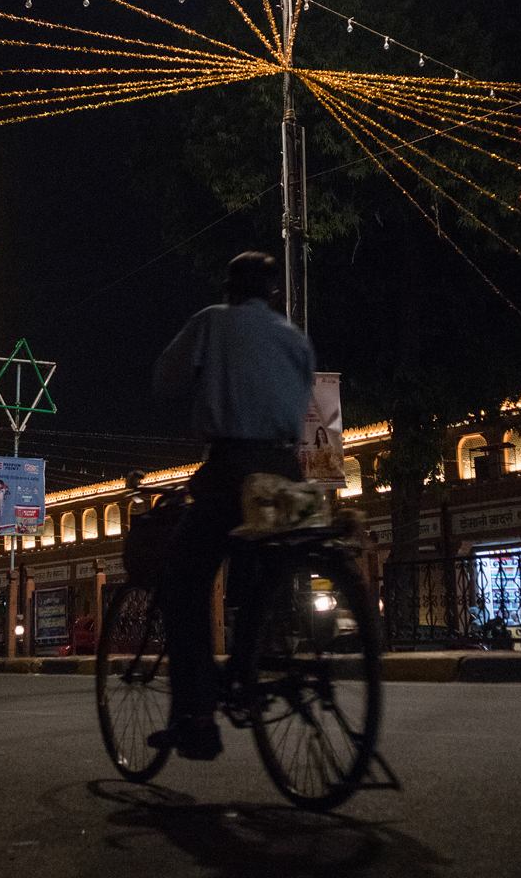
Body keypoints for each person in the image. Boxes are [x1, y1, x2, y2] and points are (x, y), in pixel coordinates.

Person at [148, 251, 315, 760]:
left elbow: (165, 381)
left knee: (182, 582)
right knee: (270, 571)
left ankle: (197, 717)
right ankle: (247, 664)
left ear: (230, 290)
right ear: (272, 295)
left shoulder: (212, 323)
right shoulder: (295, 338)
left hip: (231, 469)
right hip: (287, 474)